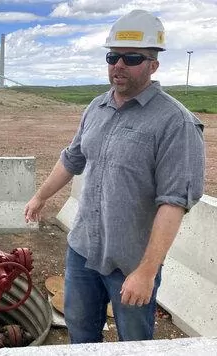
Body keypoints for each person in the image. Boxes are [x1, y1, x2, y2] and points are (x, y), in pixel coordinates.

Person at [24, 9, 205, 343]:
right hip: (83, 251)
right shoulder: (96, 107)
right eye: (113, 56)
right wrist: (41, 196)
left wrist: (147, 272)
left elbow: (174, 202)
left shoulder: (175, 123)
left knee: (134, 340)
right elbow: (71, 159)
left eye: (132, 57)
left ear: (153, 64)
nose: (119, 64)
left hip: (131, 262)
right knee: (80, 330)